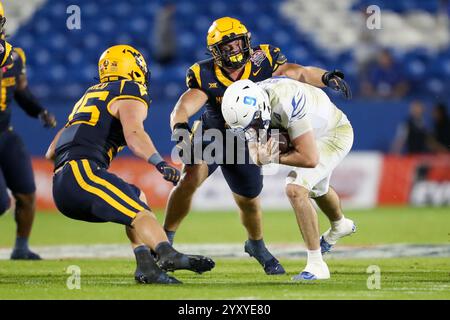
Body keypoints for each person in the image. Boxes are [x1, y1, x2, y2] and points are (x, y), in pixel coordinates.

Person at [165, 17, 351, 275]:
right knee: (190, 177)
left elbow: (296, 72)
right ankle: (164, 243)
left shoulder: (262, 58)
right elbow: (183, 106)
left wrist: (325, 76)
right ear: (215, 51)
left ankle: (256, 245)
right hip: (216, 135)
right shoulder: (204, 73)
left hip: (252, 135)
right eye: (227, 47)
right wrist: (181, 128)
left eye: (238, 43)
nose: (235, 50)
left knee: (249, 200)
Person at [46, 45, 215, 284]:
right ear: (134, 68)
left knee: (138, 196)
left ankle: (146, 266)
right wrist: (159, 162)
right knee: (140, 213)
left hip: (64, 183)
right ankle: (168, 254)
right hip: (81, 173)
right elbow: (134, 133)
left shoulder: (88, 96)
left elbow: (51, 152)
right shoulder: (128, 88)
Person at [221, 77, 356, 280]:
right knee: (317, 189)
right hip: (316, 131)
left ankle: (317, 265)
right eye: (247, 128)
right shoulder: (250, 111)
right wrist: (262, 157)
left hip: (333, 133)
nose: (253, 131)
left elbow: (310, 159)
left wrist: (274, 157)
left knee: (295, 188)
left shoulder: (286, 100)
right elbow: (257, 157)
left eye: (254, 124)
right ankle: (340, 225)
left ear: (262, 108)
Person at [0, 2, 56, 260]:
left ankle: (21, 247)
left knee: (26, 192)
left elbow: (20, 90)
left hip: (5, 133)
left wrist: (39, 110)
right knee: (1, 203)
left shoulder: (14, 56)